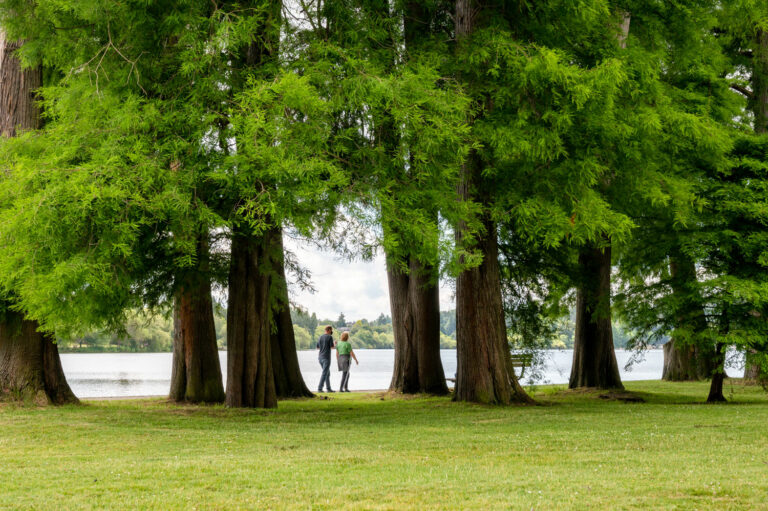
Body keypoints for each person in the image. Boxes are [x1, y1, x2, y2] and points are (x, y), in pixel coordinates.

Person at [316, 325, 336, 392]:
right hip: (326, 358)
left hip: (320, 358)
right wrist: (334, 343)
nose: (331, 332)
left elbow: (318, 348)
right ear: (329, 330)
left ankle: (328, 388)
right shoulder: (330, 337)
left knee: (327, 373)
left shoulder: (320, 337)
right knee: (325, 373)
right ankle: (319, 388)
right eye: (331, 330)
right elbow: (332, 347)